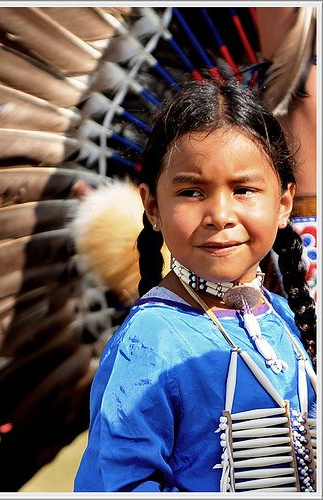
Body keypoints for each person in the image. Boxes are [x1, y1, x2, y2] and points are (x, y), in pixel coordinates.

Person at [74, 74, 316, 492]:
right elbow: (117, 484)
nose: (219, 214)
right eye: (191, 192)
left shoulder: (284, 319)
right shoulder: (151, 341)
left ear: (283, 204)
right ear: (152, 206)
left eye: (243, 190)